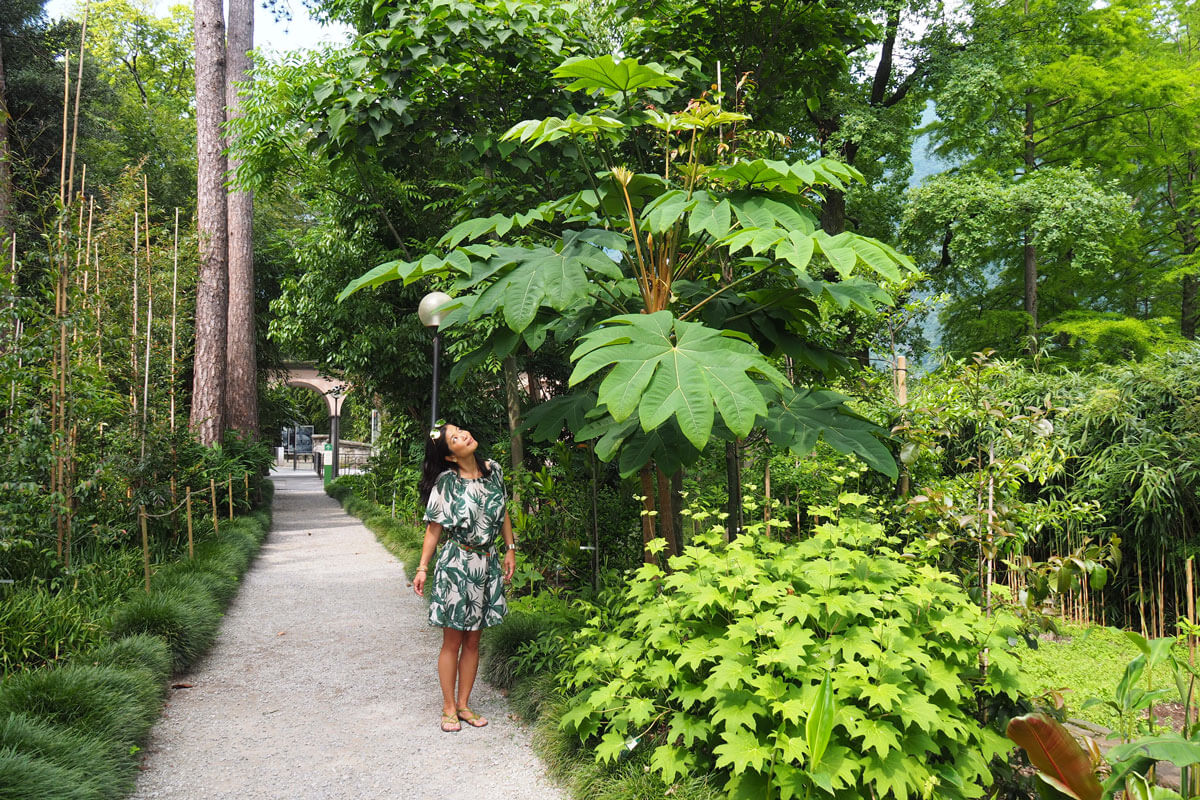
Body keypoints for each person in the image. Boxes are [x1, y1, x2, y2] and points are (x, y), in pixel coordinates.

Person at [413, 421, 516, 733]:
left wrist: (510, 548)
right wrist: (422, 567)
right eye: (454, 438)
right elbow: (434, 529)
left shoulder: (493, 469)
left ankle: (464, 704)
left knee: (474, 639)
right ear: (450, 456)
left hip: (487, 562)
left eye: (460, 430)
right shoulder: (446, 483)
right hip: (458, 564)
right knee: (453, 641)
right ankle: (447, 707)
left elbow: (503, 511)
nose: (463, 435)